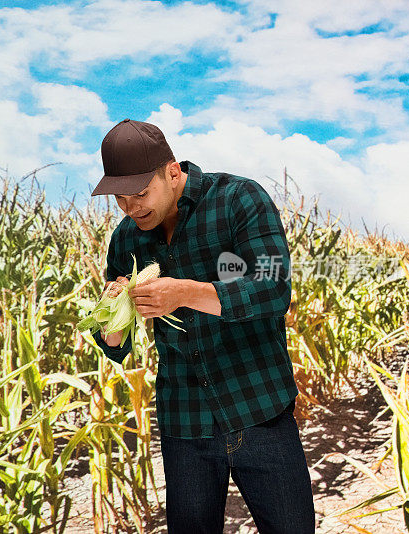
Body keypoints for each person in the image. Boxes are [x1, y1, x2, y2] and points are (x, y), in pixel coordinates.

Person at [88, 118, 315, 533]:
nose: (131, 208)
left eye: (141, 194)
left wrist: (185, 293)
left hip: (259, 410)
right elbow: (114, 345)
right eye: (120, 199)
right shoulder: (126, 238)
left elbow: (272, 290)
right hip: (185, 423)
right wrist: (113, 314)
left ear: (173, 172)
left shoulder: (239, 200)